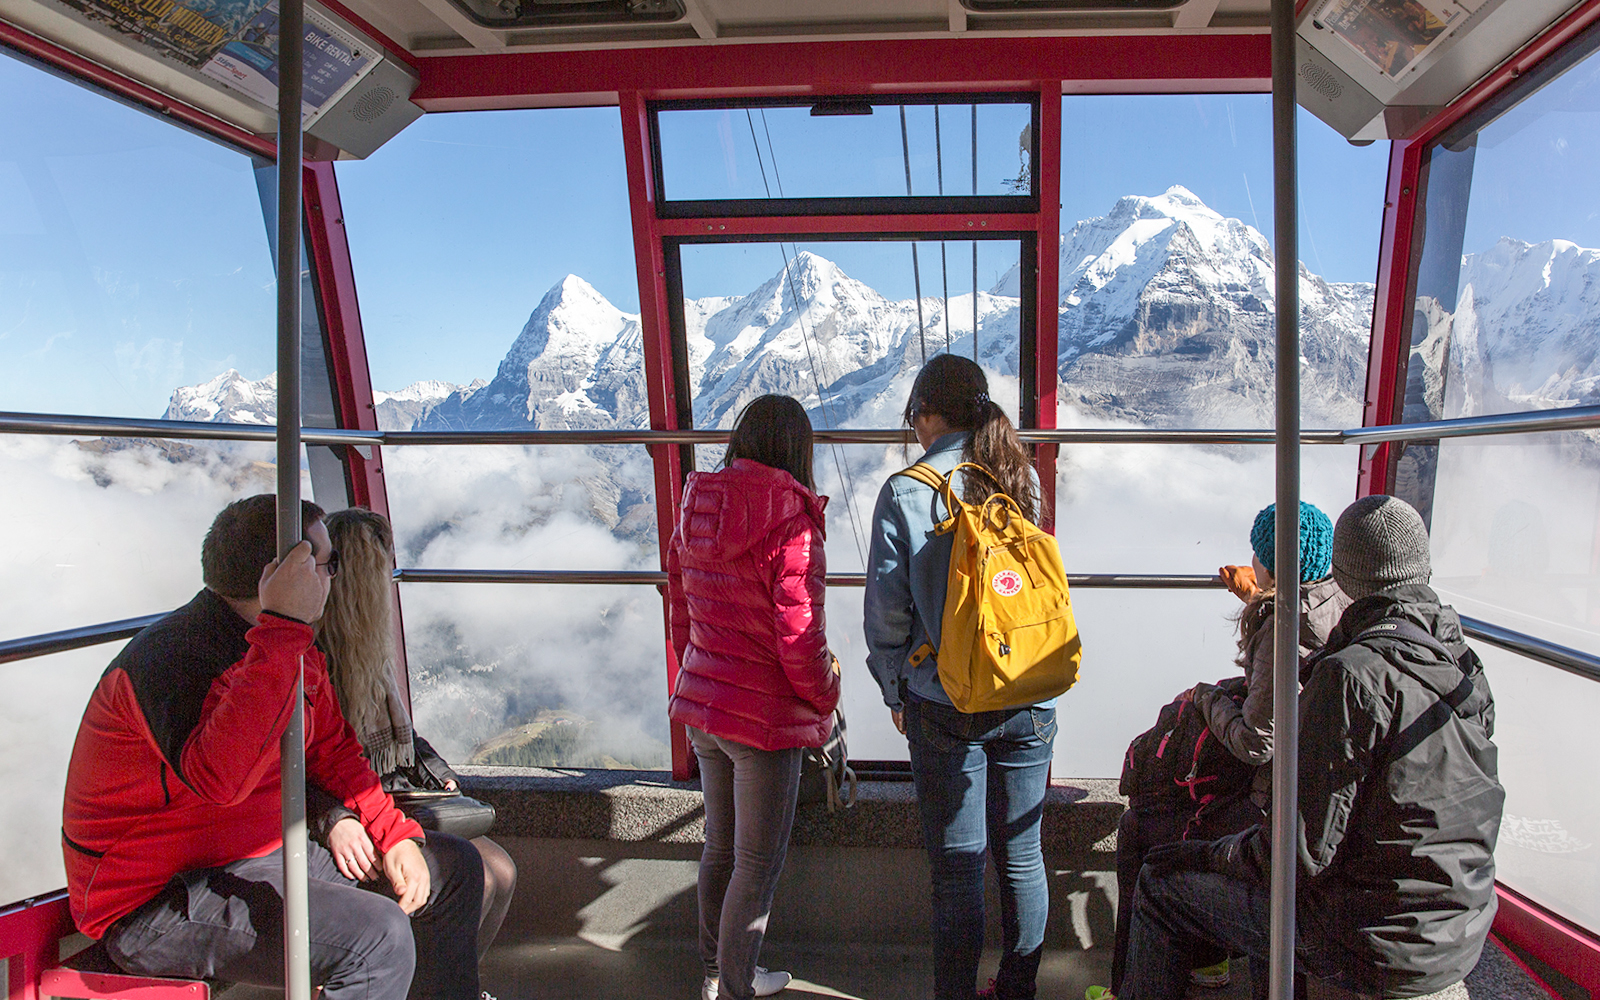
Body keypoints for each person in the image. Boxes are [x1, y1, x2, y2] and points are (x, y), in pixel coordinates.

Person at [62, 494, 482, 1000]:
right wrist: (283, 631)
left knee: (452, 870)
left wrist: (394, 835)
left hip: (259, 853)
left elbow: (333, 751)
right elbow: (222, 782)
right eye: (329, 564)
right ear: (283, 576)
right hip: (154, 899)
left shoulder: (285, 644)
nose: (333, 578)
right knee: (376, 937)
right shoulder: (169, 662)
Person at [1117, 495, 1503, 1000]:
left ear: (1342, 574)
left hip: (1369, 936)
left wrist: (1211, 856)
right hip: (1458, 924)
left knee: (1161, 887)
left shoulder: (1352, 675)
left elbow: (1296, 855)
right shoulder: (1454, 655)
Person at [863, 353, 1054, 1000]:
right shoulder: (1019, 475)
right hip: (1029, 689)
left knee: (957, 872)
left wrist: (895, 690)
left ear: (925, 415)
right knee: (1022, 857)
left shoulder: (907, 489)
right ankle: (1018, 988)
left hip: (944, 699)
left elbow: (888, 612)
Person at [1100, 501, 1349, 997]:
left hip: (1271, 808)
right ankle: (1208, 960)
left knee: (1142, 836)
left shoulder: (1281, 625)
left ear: (1272, 563)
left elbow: (1256, 741)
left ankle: (1133, 986)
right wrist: (1260, 597)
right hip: (1318, 800)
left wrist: (1206, 697)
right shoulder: (1336, 603)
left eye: (1259, 553)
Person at [666, 394, 841, 1000]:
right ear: (799, 449)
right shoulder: (792, 520)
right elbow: (800, 640)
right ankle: (739, 986)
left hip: (703, 704)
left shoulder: (696, 501)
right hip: (761, 719)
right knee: (756, 864)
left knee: (720, 849)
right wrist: (827, 696)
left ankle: (716, 976)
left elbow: (680, 607)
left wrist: (698, 669)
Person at [313, 506, 518, 961]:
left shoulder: (366, 653)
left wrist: (436, 772)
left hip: (386, 796)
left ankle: (455, 982)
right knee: (485, 874)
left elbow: (403, 739)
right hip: (354, 811)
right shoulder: (317, 658)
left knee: (500, 871)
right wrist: (334, 819)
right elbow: (308, 763)